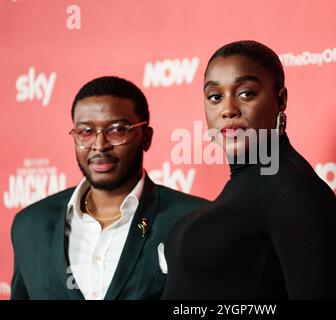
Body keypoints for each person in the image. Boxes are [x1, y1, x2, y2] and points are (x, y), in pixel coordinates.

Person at [162, 40, 336, 299]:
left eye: (246, 93)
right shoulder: (244, 183)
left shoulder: (293, 189)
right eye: (215, 97)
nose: (228, 110)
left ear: (280, 99)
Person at [10, 76, 208, 300]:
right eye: (85, 132)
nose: (100, 145)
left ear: (147, 138)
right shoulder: (30, 225)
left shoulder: (194, 220)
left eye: (117, 130)